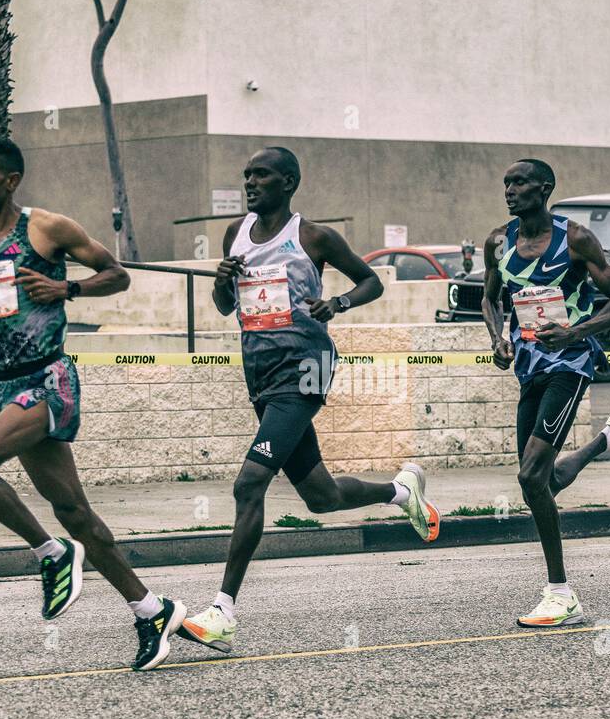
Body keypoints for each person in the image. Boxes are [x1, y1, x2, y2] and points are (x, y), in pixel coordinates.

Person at [178, 147, 439, 655]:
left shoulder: (313, 236)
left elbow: (370, 281)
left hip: (305, 369)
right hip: (261, 372)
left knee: (250, 482)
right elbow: (225, 305)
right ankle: (402, 492)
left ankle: (222, 612)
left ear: (289, 182)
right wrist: (222, 282)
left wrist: (335, 302)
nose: (251, 182)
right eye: (246, 173)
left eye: (262, 175)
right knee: (320, 498)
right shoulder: (235, 234)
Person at [0, 137, 187, 672]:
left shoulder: (46, 228)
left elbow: (117, 274)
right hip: (7, 383)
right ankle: (152, 610)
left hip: (49, 380)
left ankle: (51, 555)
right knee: (74, 511)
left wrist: (68, 291)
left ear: (10, 180)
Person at [481, 159, 610, 629]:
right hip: (531, 367)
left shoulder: (574, 238)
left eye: (520, 182)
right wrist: (498, 337)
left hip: (570, 364)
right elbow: (490, 298)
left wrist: (575, 333)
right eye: (506, 182)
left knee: (531, 478)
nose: (510, 190)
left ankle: (560, 592)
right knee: (540, 483)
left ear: (545, 187)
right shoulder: (499, 241)